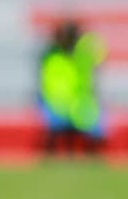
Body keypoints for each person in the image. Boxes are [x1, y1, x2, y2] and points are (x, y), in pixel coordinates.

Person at [36, 19, 106, 155]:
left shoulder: (82, 56)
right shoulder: (50, 56)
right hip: (55, 104)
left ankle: (92, 159)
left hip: (79, 103)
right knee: (55, 124)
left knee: (95, 127)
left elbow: (97, 58)